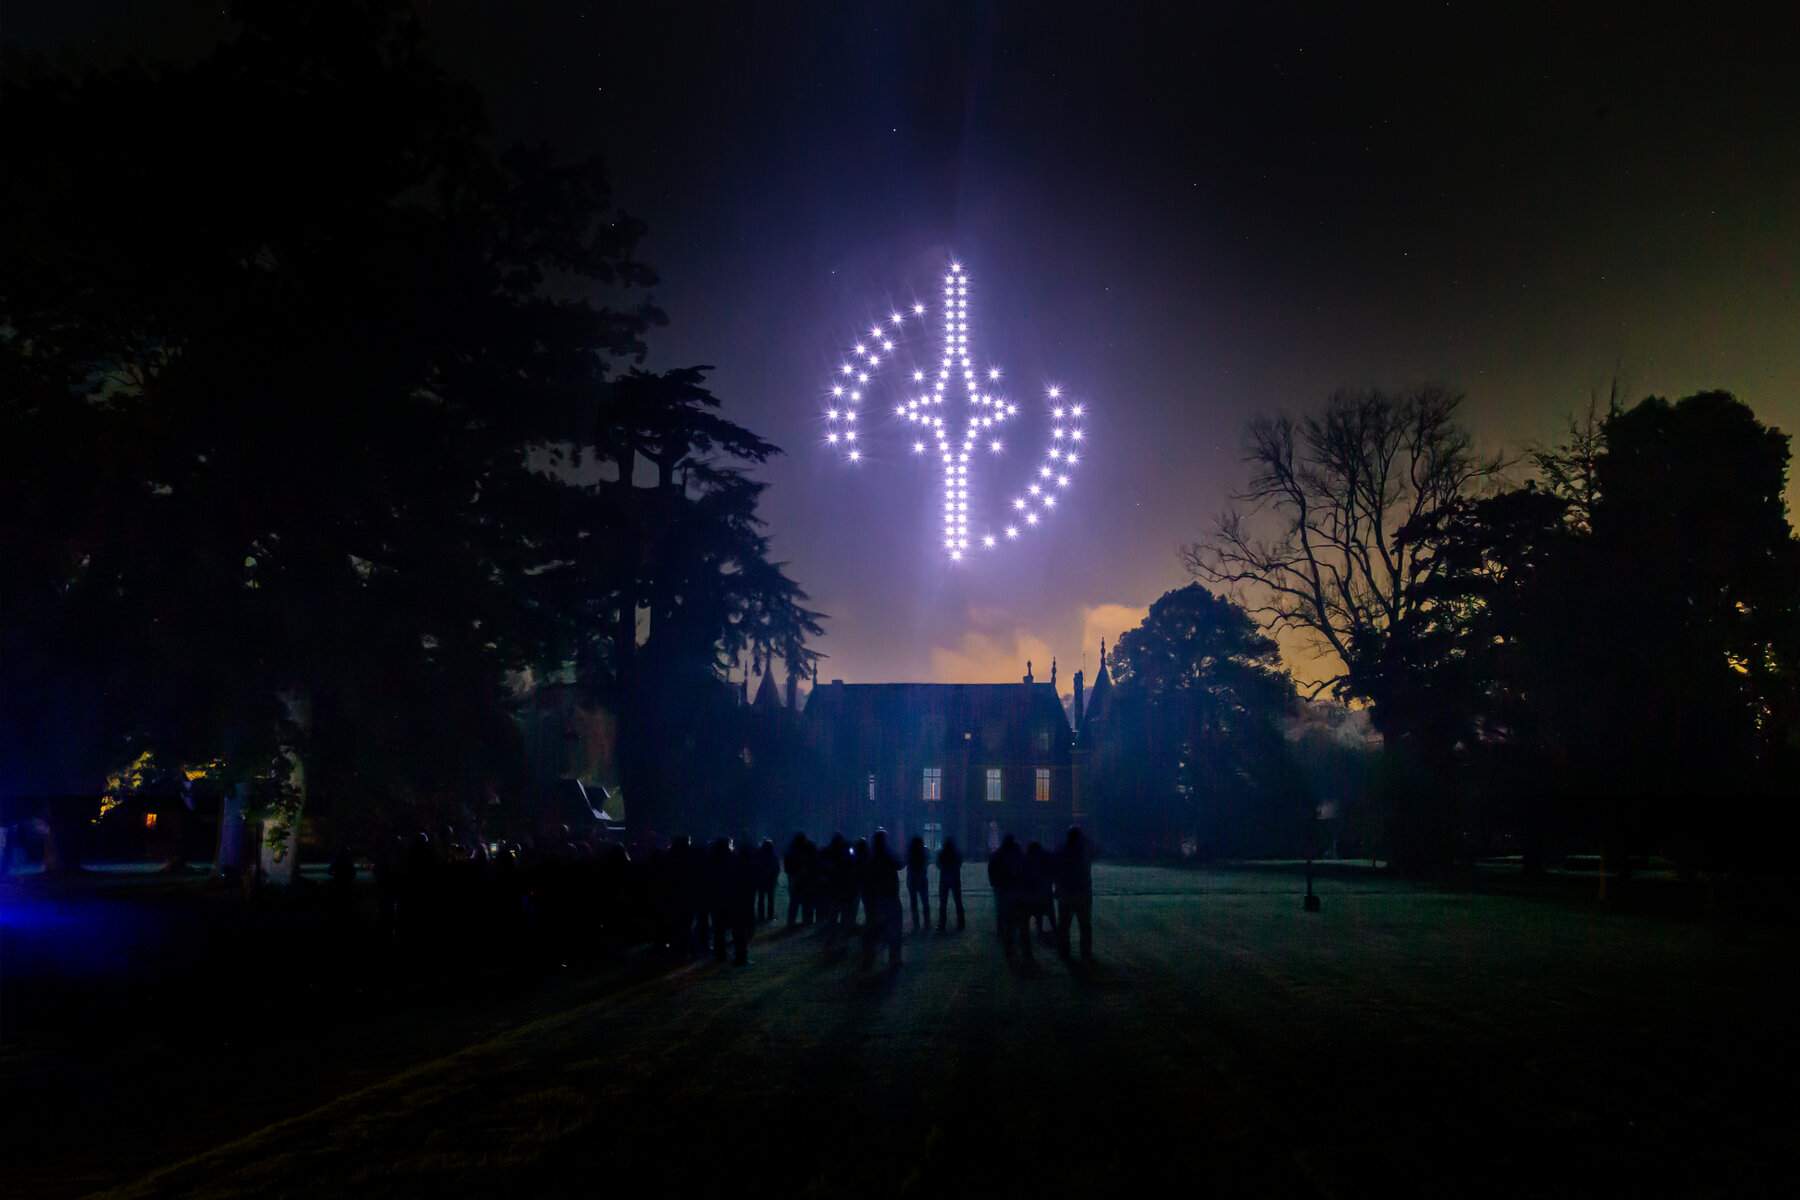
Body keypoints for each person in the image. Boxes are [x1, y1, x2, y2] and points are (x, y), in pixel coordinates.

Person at [861, 829, 904, 968]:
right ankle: (894, 956)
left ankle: (869, 957)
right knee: (894, 927)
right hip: (889, 895)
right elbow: (899, 864)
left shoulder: (871, 858)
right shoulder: (887, 856)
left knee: (872, 929)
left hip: (876, 898)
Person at [1054, 826, 1094, 960]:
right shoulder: (1085, 851)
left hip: (1066, 893)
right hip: (1082, 894)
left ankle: (1064, 950)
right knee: (1084, 925)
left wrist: (1057, 888)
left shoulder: (1060, 850)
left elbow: (1056, 872)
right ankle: (1085, 951)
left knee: (1064, 925)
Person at [936, 837, 965, 932]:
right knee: (958, 901)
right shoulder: (956, 853)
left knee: (943, 903)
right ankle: (961, 922)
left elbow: (938, 864)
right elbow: (959, 863)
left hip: (944, 879)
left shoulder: (942, 853)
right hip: (955, 879)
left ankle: (942, 923)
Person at [905, 836, 931, 932]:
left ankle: (916, 924)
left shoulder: (910, 852)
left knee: (914, 903)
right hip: (921, 880)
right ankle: (926, 923)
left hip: (912, 880)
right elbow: (926, 863)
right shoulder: (924, 852)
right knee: (924, 902)